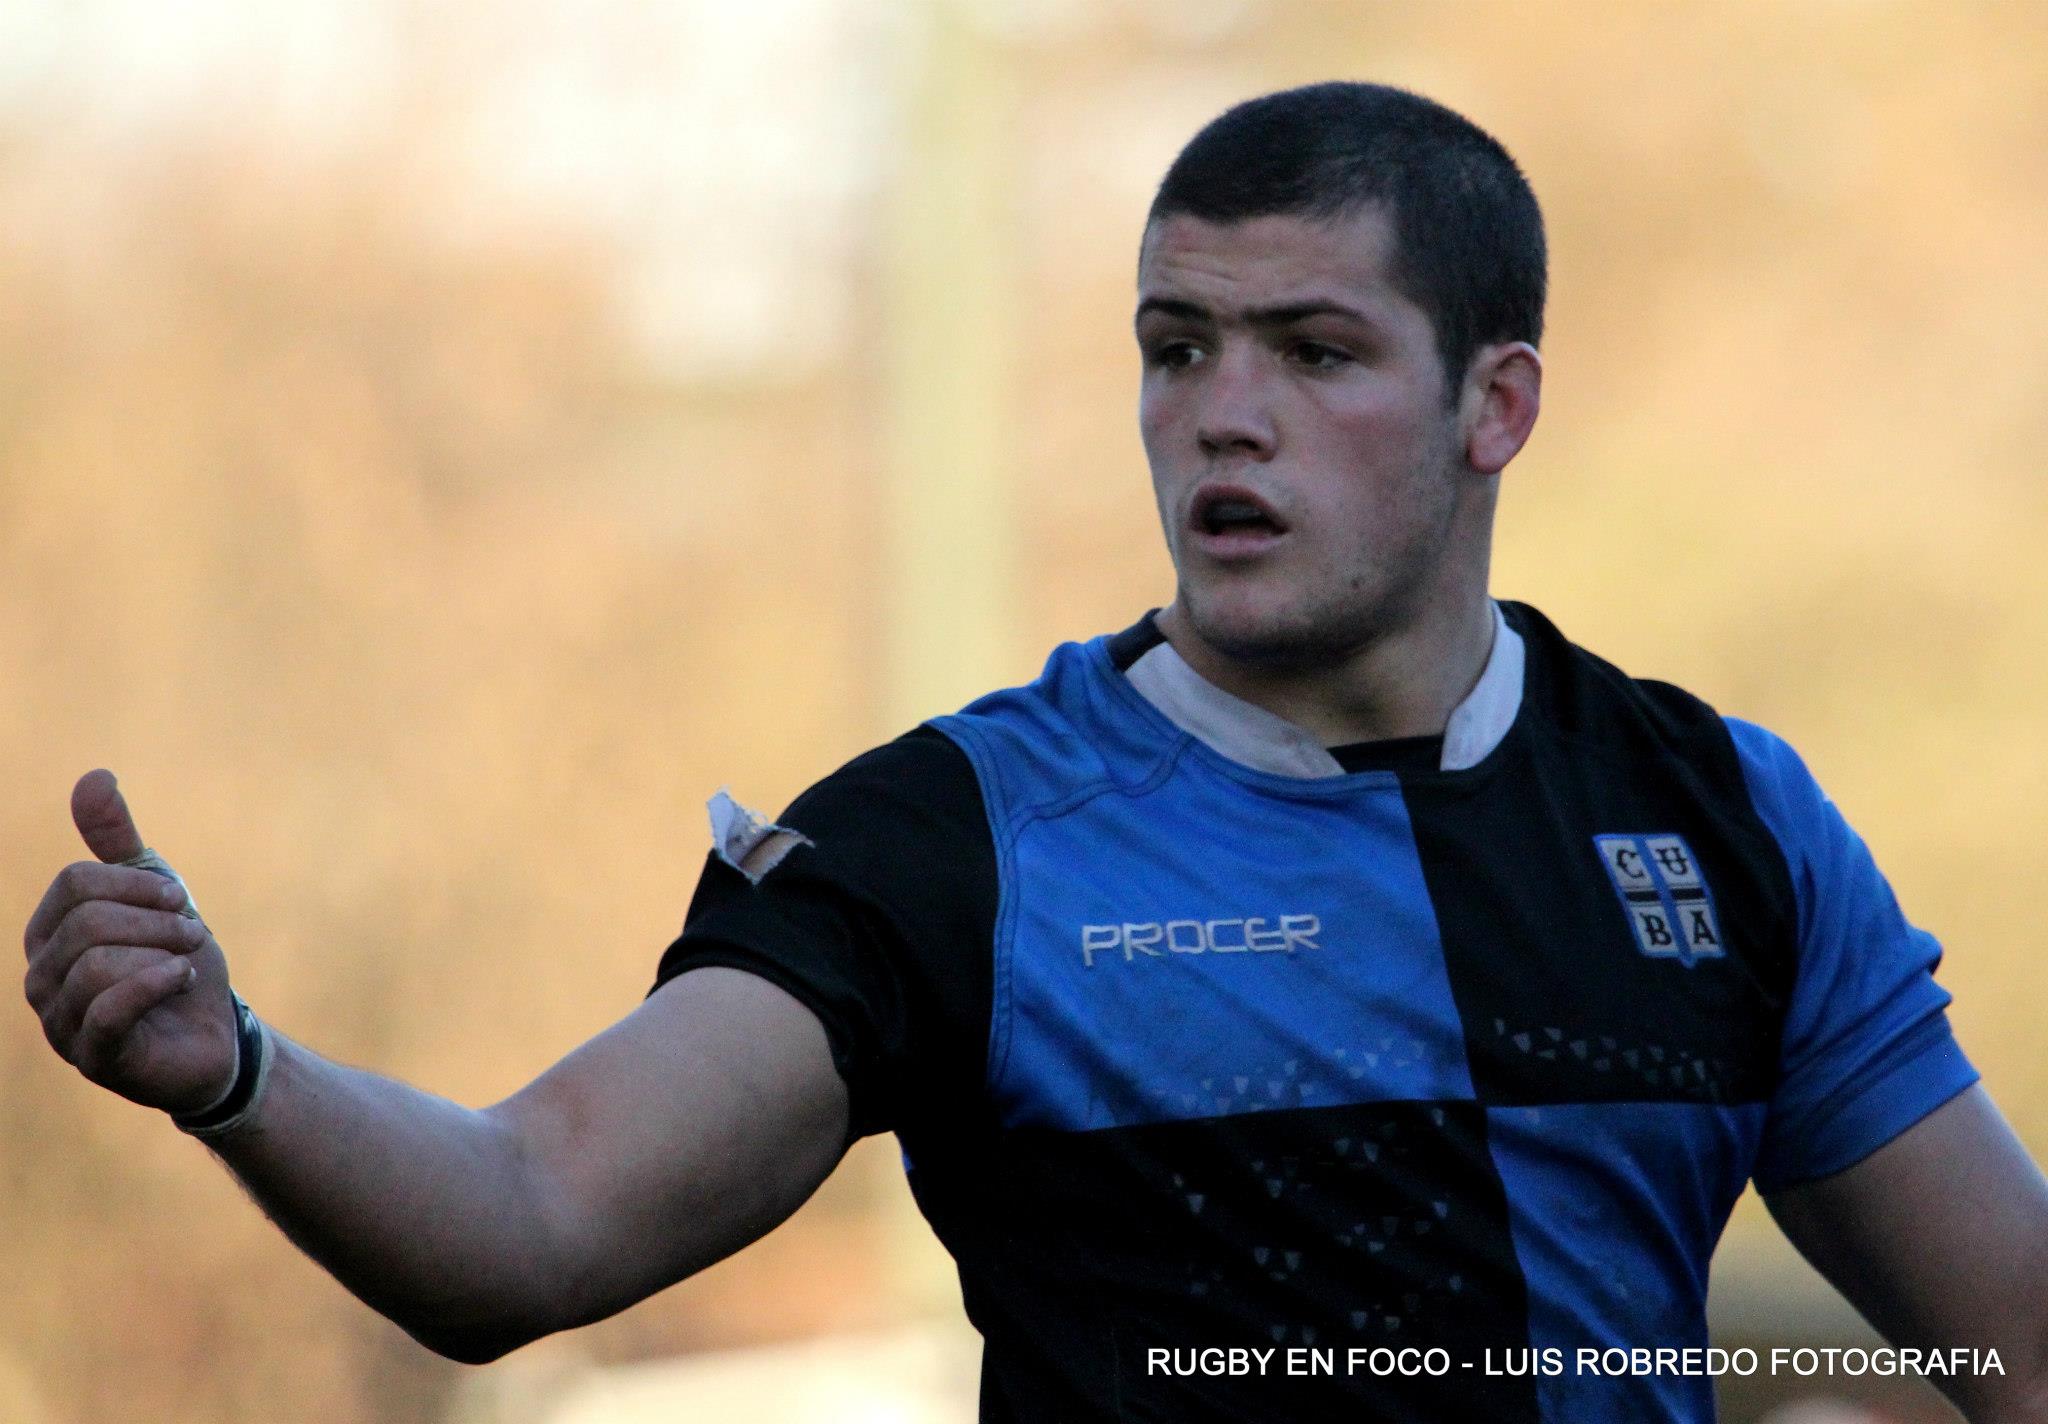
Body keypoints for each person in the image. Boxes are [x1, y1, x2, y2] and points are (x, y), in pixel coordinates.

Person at [22, 82, 2048, 1424]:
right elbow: (530, 1218)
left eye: (1312, 351)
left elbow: (2006, 1338)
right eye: (1176, 348)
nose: (1216, 415)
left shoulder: (1720, 814)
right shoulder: (950, 841)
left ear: (1493, 401)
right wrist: (242, 1073)